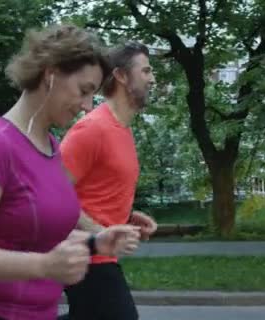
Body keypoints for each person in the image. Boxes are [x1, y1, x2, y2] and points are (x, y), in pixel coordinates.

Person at [0, 24, 141, 320]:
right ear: (50, 74)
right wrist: (42, 266)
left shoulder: (51, 146)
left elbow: (35, 234)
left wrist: (96, 241)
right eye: (84, 91)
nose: (85, 106)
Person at [59, 41, 158, 320]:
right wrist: (98, 232)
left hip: (102, 254)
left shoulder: (121, 130)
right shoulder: (92, 128)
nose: (152, 78)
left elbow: (96, 193)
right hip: (86, 254)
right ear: (122, 76)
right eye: (146, 71)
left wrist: (127, 219)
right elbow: (51, 195)